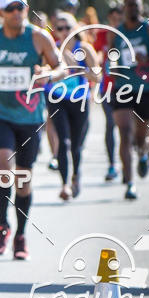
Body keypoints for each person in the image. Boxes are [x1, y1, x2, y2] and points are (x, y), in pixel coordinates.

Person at [0, 0, 64, 259]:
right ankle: (2, 225)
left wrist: (48, 74)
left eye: (20, 7)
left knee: (23, 179)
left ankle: (20, 234)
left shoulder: (38, 37)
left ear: (26, 9)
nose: (16, 13)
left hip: (30, 116)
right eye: (10, 8)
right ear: (0, 13)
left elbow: (60, 67)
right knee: (2, 165)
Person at [108, 0, 149, 199]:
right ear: (123, 8)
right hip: (122, 88)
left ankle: (143, 154)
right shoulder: (115, 33)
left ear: (141, 7)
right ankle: (129, 183)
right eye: (128, 5)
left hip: (146, 89)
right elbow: (110, 57)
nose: (132, 8)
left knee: (140, 135)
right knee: (124, 132)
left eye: (136, 5)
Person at [48, 13, 100, 200]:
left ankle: (76, 176)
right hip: (57, 97)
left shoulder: (84, 49)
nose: (63, 32)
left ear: (75, 28)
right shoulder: (52, 48)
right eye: (59, 28)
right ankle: (65, 184)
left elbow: (97, 76)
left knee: (76, 145)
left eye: (67, 28)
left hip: (79, 99)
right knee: (63, 141)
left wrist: (78, 68)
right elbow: (44, 70)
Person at [95, 5, 124, 181]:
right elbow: (97, 53)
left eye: (118, 18)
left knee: (127, 128)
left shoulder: (129, 35)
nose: (115, 21)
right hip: (107, 87)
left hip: (128, 88)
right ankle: (112, 164)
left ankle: (136, 156)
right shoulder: (101, 35)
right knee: (111, 124)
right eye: (112, 18)